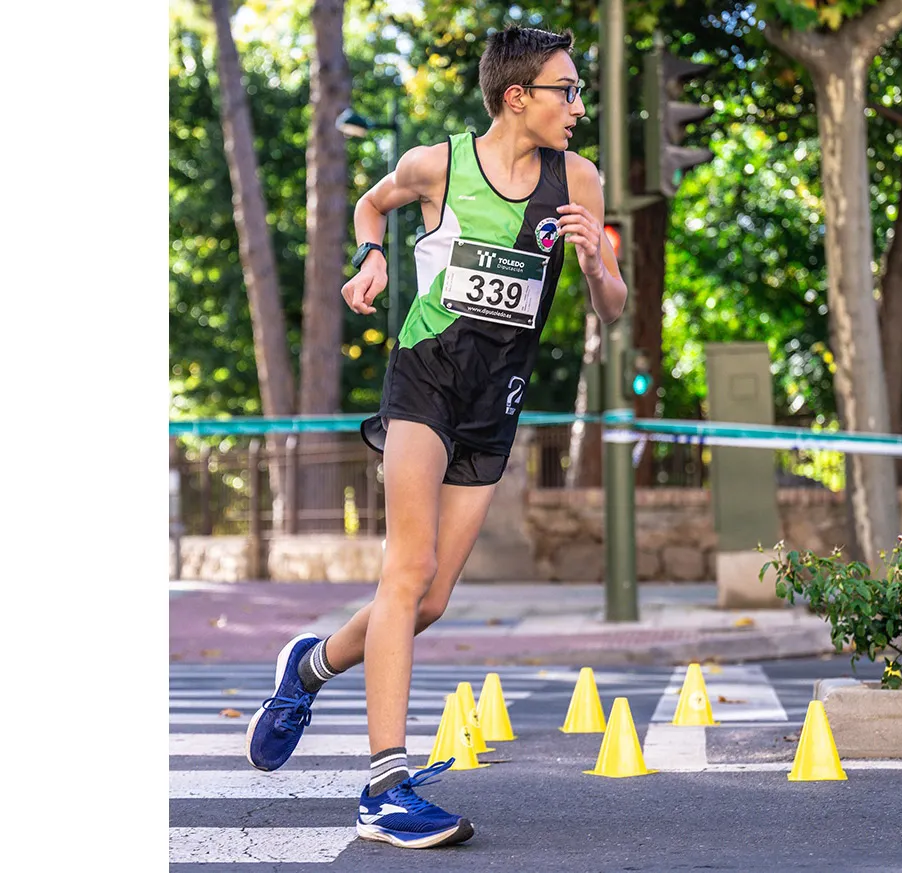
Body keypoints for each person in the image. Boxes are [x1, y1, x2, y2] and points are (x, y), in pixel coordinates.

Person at [244, 25, 626, 850]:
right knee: (405, 568)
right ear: (516, 96)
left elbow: (613, 305)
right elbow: (369, 201)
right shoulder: (437, 165)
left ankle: (308, 667)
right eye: (567, 90)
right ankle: (384, 784)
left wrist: (596, 265)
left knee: (430, 599)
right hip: (425, 375)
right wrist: (371, 257)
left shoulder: (579, 180)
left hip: (499, 396)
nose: (578, 105)